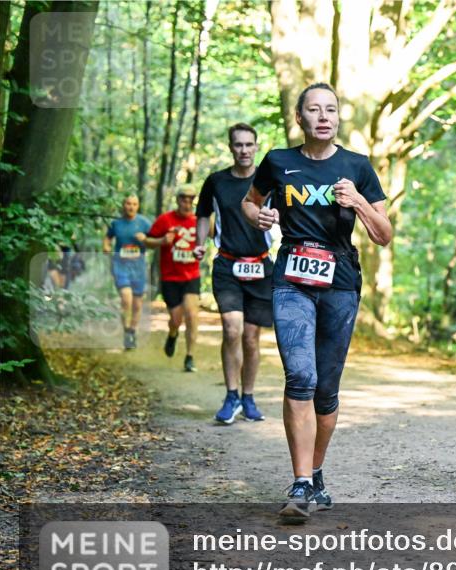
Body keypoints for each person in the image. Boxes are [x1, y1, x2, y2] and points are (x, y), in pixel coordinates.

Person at [242, 83, 392, 522]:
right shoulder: (278, 162)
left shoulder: (357, 167)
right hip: (291, 278)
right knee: (301, 377)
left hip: (341, 282)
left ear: (339, 117)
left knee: (326, 389)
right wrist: (261, 217)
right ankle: (300, 483)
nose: (323, 116)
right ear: (299, 118)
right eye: (313, 109)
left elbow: (383, 234)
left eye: (330, 109)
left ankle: (317, 472)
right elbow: (250, 204)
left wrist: (359, 201)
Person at [193, 123, 272, 424]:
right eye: (238, 145)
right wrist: (200, 244)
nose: (244, 150)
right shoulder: (216, 181)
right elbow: (203, 214)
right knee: (232, 330)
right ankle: (231, 395)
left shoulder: (268, 182)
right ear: (230, 147)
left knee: (251, 338)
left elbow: (282, 215)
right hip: (227, 264)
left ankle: (249, 398)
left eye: (249, 144)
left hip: (261, 265)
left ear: (256, 146)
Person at [145, 184, 202, 372]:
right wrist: (162, 241)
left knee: (192, 314)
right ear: (177, 200)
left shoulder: (199, 221)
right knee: (176, 320)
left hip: (191, 276)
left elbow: (217, 233)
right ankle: (173, 333)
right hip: (170, 278)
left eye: (190, 200)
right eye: (183, 199)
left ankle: (190, 356)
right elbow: (148, 241)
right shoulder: (165, 220)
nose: (187, 203)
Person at [103, 195, 152, 349]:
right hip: (120, 266)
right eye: (128, 204)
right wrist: (106, 246)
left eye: (134, 204)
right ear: (123, 205)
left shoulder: (144, 223)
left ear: (138, 206)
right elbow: (107, 237)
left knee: (137, 305)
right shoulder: (116, 223)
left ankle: (131, 331)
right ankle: (126, 330)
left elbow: (155, 241)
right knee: (126, 299)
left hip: (138, 268)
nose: (131, 207)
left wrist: (145, 239)